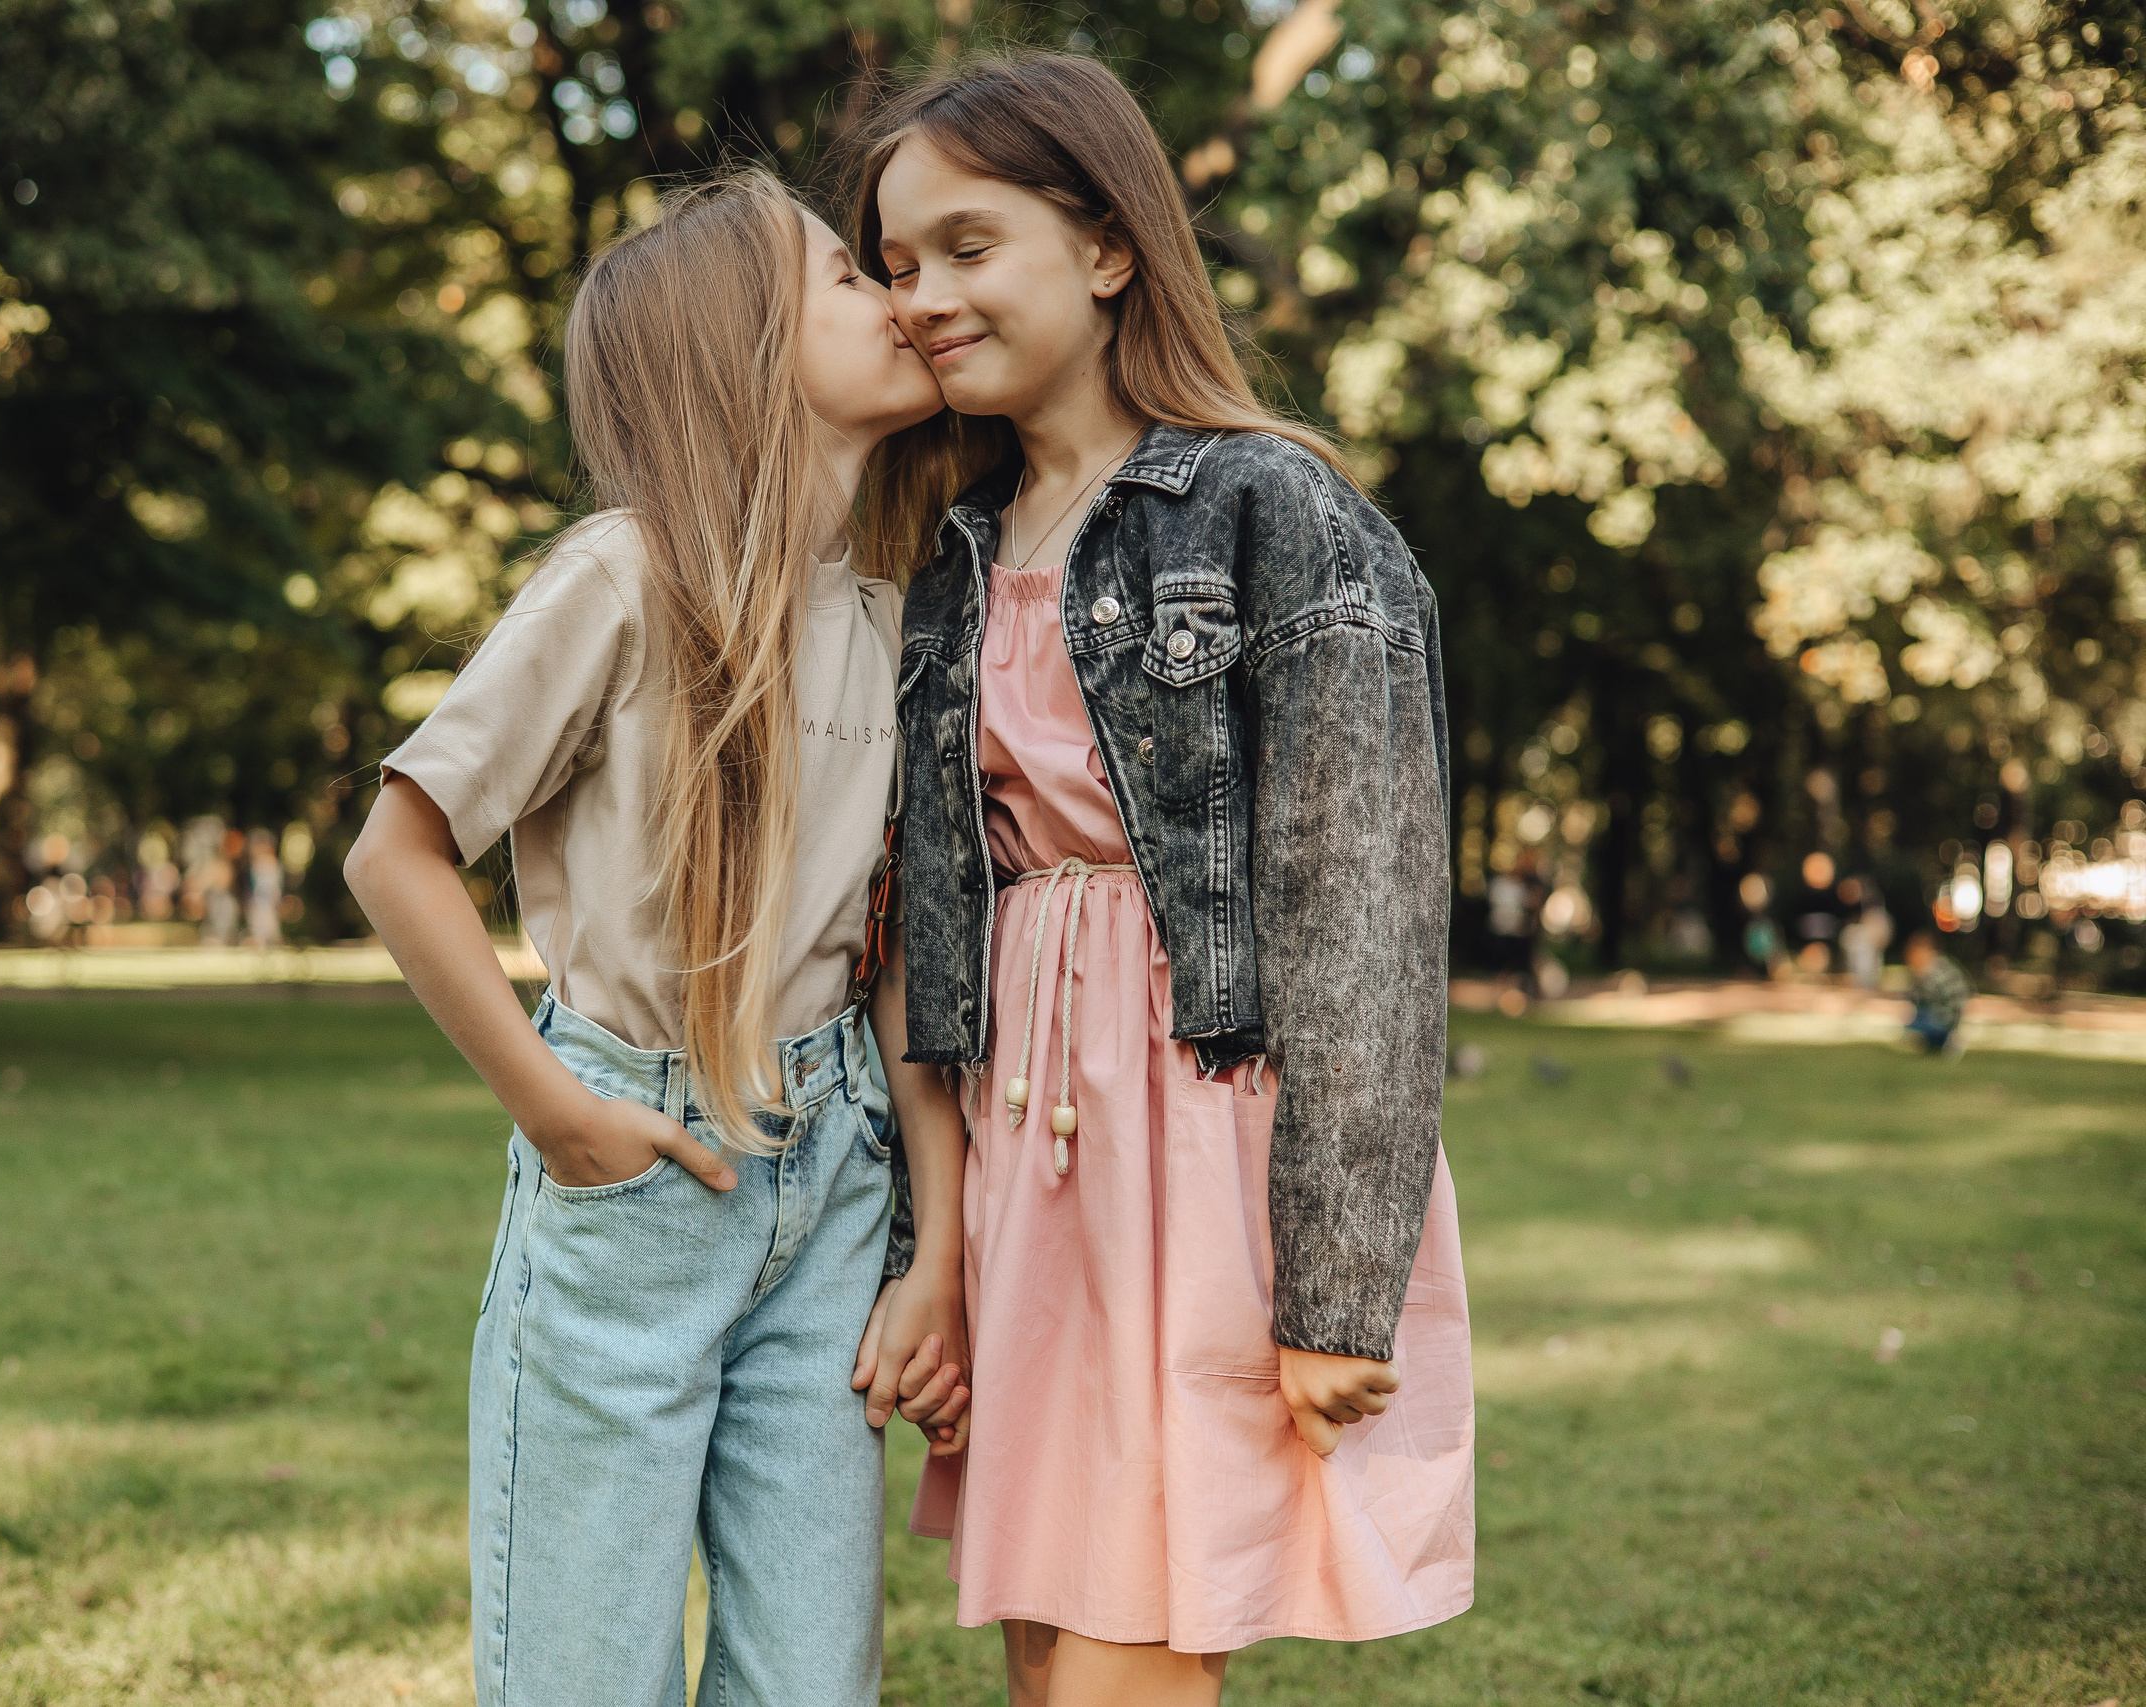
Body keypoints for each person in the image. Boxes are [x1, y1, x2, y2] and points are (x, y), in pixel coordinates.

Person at [853, 51, 1473, 1707]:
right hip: (1026, 1139)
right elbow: (928, 922)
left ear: (1109, 245)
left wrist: (1338, 1284)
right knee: (1051, 1641)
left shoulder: (1276, 514)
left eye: (967, 246)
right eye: (897, 264)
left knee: (1134, 1629)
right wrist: (941, 1247)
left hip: (1201, 1132)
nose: (920, 297)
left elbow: (1367, 915)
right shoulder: (950, 552)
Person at [343, 171, 971, 1707]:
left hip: (830, 1188)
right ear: (740, 344)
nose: (894, 297)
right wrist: (555, 1110)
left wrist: (938, 1242)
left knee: (811, 1679)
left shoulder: (892, 613)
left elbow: (892, 955)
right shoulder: (622, 577)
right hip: (634, 1173)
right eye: (845, 275)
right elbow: (398, 849)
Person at [1902, 930, 1971, 1056]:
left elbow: (1919, 998)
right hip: (1949, 1015)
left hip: (1945, 1017)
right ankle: (1937, 1042)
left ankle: (1946, 1039)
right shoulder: (1940, 963)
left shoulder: (1931, 971)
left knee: (1913, 1023)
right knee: (1916, 1019)